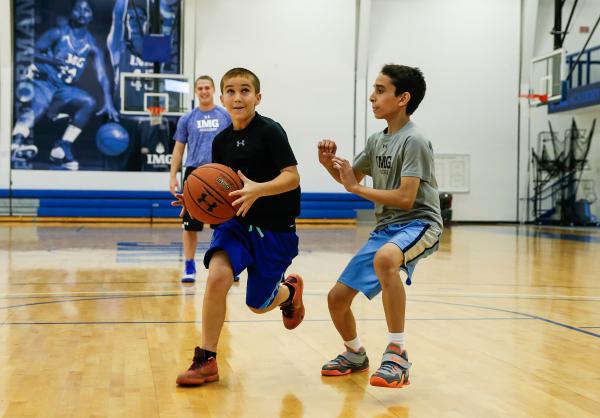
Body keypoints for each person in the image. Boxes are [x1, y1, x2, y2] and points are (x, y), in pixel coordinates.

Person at [174, 67, 304, 386]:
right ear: (222, 99)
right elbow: (220, 186)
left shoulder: (271, 132)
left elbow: (292, 176)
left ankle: (288, 293)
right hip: (236, 223)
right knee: (217, 276)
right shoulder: (221, 141)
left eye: (245, 90)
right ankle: (206, 359)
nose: (237, 97)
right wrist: (196, 200)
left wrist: (258, 188)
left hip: (275, 228)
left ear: (257, 97)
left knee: (258, 305)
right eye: (230, 91)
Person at [317, 64, 443, 388]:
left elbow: (405, 197)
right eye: (373, 90)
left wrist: (355, 188)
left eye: (380, 90)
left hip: (420, 222)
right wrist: (328, 166)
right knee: (336, 299)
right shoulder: (377, 140)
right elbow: (352, 180)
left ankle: (397, 353)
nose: (373, 97)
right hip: (386, 229)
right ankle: (354, 353)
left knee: (386, 259)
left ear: (403, 98)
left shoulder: (414, 141)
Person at [11, 0, 119, 170]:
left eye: (87, 10)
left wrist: (108, 101)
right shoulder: (57, 33)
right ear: (71, 12)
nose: (82, 13)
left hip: (64, 89)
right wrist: (52, 60)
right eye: (78, 9)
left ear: (91, 16)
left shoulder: (91, 45)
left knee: (88, 102)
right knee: (39, 104)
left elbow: (102, 76)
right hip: (45, 81)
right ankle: (16, 142)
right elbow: (31, 51)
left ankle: (62, 148)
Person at [170, 75, 231, 283]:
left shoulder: (225, 116)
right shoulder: (187, 118)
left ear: (213, 90)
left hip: (220, 175)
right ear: (196, 91)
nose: (204, 91)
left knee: (225, 225)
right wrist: (173, 177)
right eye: (200, 88)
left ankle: (229, 265)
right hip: (194, 175)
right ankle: (189, 265)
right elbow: (178, 150)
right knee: (190, 225)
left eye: (207, 88)